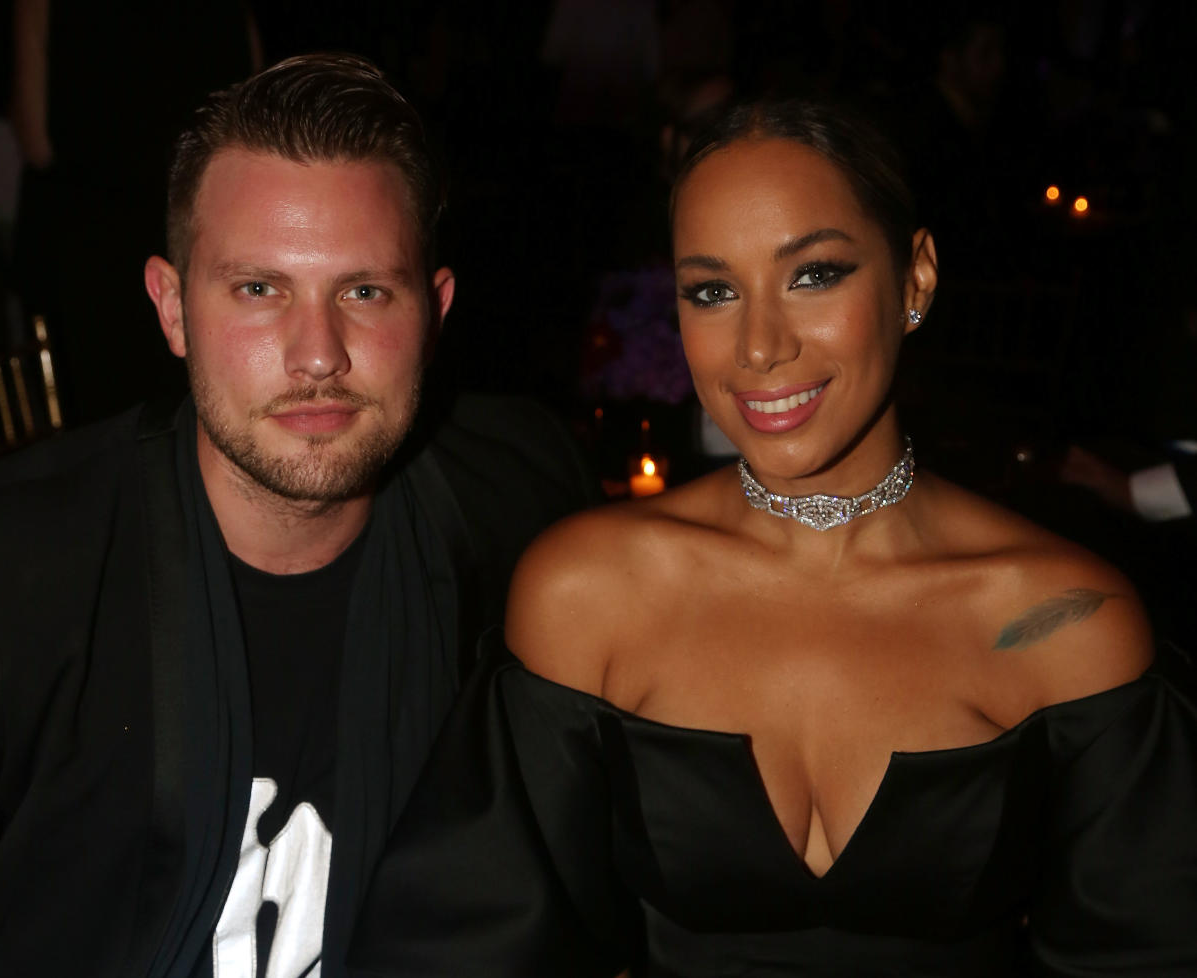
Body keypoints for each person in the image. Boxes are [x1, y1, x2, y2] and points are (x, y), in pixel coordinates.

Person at [351, 99, 1197, 976]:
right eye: (712, 292)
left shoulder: (1067, 621)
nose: (757, 346)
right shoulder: (588, 594)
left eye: (814, 274)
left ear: (916, 279)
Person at [0, 54, 594, 977]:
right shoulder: (0, 579)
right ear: (172, 309)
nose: (319, 354)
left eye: (365, 291)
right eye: (260, 289)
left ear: (437, 310)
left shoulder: (520, 513)